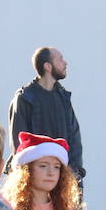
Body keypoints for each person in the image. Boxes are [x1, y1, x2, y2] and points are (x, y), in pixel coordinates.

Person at [8, 47, 84, 182]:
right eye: (60, 59)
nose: (65, 63)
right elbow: (19, 142)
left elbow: (74, 137)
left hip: (62, 178)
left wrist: (74, 175)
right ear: (48, 66)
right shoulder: (25, 98)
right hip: (34, 180)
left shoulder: (63, 97)